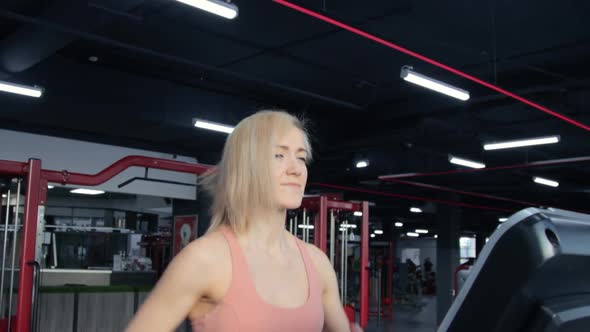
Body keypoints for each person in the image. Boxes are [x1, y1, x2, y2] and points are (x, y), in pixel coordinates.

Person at [126, 111, 362, 332]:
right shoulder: (204, 260)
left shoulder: (317, 262)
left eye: (301, 158)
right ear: (245, 166)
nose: (296, 169)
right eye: (279, 155)